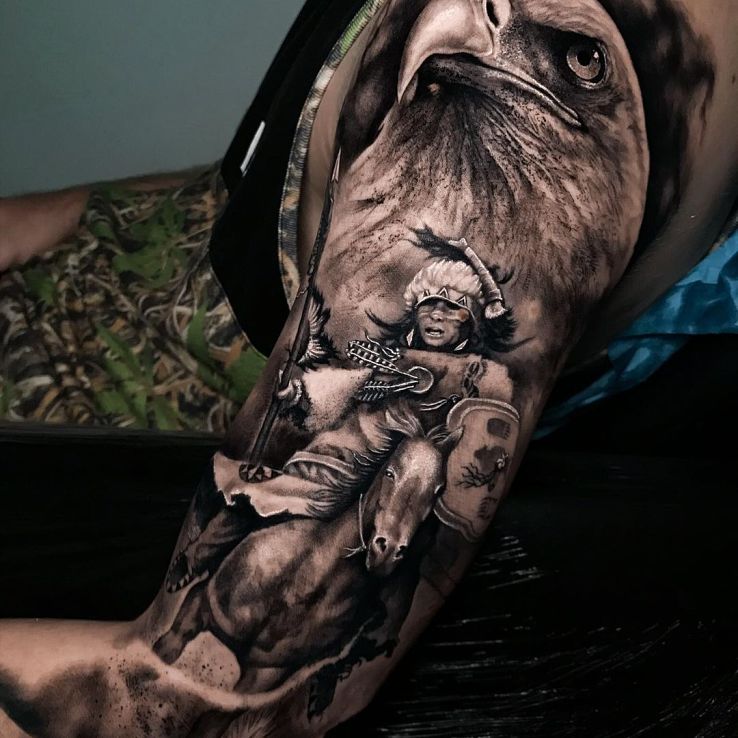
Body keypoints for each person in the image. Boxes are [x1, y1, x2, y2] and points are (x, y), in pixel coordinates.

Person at [1, 0, 738, 736]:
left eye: (579, 59)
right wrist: (83, 209)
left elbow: (180, 712)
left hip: (117, 426)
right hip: (128, 275)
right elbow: (287, 166)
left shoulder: (514, 91)